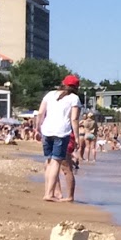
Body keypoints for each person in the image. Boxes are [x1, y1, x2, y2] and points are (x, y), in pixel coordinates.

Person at [34, 74, 82, 202]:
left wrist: (37, 129)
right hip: (62, 132)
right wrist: (76, 137)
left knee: (49, 162)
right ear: (76, 87)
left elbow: (40, 113)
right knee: (56, 162)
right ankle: (49, 194)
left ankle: (48, 192)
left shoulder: (50, 94)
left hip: (47, 130)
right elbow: (74, 119)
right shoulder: (74, 98)